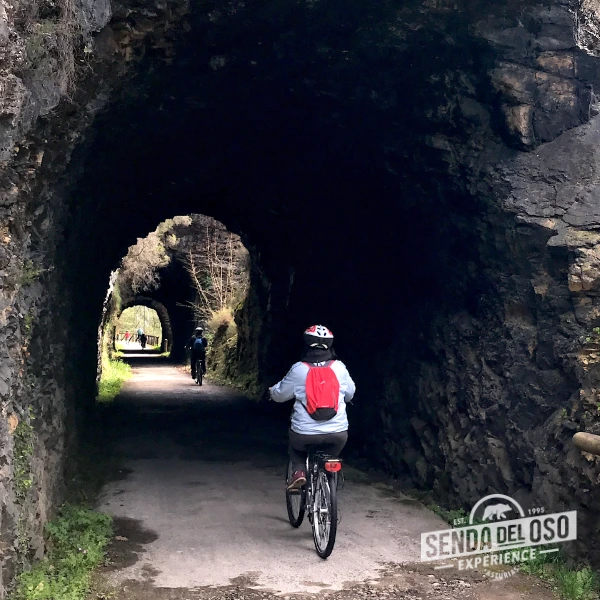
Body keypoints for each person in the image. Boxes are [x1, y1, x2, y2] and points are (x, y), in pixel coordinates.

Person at [270, 325, 356, 490]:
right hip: (338, 432)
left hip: (304, 433)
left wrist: (271, 392)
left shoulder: (299, 369)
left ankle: (299, 471)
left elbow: (280, 395)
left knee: (295, 449)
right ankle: (329, 476)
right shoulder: (340, 368)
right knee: (331, 455)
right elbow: (350, 394)